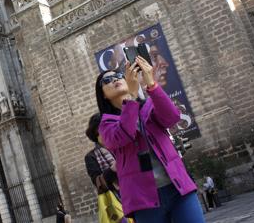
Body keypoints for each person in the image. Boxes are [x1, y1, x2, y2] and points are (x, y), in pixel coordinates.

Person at [96, 56, 204, 223]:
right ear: (103, 95)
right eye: (107, 80)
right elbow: (123, 135)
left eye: (118, 76)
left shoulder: (147, 107)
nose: (115, 80)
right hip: (143, 199)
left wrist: (152, 84)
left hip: (177, 188)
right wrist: (130, 98)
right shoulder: (106, 124)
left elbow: (171, 118)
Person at [84, 113, 119, 194]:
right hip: (117, 200)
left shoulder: (121, 147)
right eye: (102, 131)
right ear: (95, 134)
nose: (106, 134)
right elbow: (98, 184)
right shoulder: (91, 157)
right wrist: (113, 169)